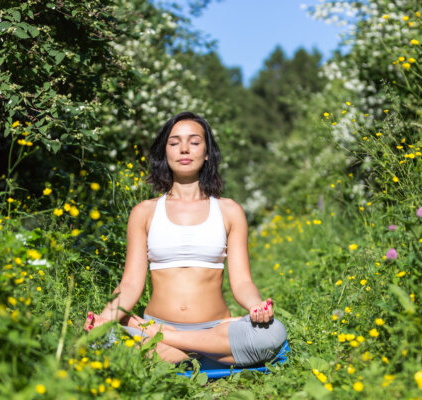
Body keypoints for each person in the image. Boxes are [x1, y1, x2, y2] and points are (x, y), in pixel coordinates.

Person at [84, 111, 287, 368]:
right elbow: (131, 283)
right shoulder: (144, 212)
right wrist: (104, 319)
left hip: (214, 328)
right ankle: (197, 352)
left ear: (207, 154)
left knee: (273, 331)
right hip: (163, 321)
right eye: (174, 142)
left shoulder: (229, 211)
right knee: (100, 339)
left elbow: (243, 281)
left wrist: (256, 305)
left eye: (194, 142)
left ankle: (168, 343)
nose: (184, 149)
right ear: (165, 153)